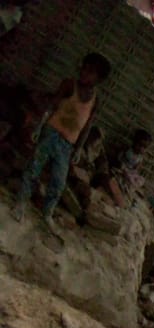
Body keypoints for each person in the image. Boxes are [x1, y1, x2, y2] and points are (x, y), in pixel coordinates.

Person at [13, 51, 112, 228]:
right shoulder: (69, 85)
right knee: (33, 168)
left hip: (67, 145)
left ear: (99, 79)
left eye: (90, 72)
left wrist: (79, 147)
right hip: (51, 134)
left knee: (58, 182)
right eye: (84, 68)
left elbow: (87, 125)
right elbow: (52, 105)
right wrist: (39, 126)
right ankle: (20, 204)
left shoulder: (95, 99)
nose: (84, 72)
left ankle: (47, 213)